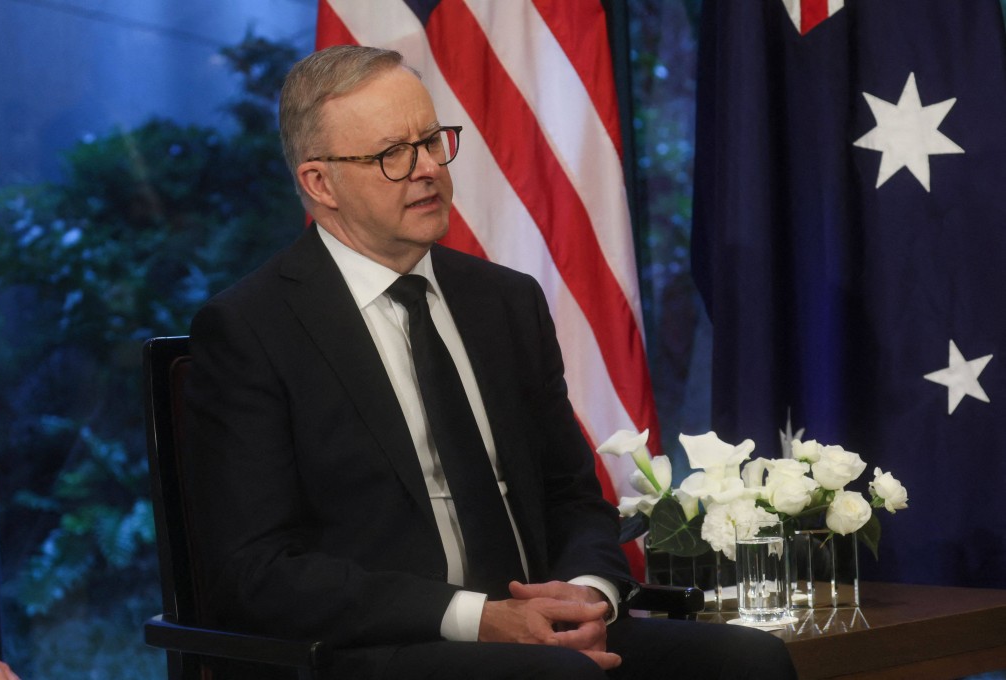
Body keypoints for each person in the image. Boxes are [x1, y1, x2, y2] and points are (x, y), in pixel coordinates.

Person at [183, 45, 798, 679]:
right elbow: (256, 571)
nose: (427, 169)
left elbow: (573, 494)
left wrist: (588, 591)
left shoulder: (505, 301)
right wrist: (477, 617)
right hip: (380, 648)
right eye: (393, 154)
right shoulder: (252, 329)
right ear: (319, 183)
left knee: (748, 661)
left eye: (432, 141)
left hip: (540, 630)